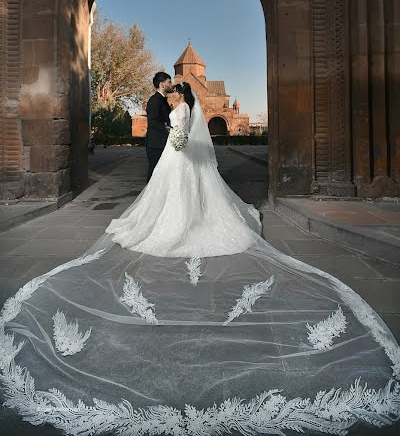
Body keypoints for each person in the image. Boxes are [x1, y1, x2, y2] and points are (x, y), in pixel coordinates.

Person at [0, 82, 399, 436]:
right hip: (179, 160)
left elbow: (181, 135)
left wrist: (176, 139)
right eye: (171, 89)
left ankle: (182, 226)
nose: (173, 93)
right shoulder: (183, 106)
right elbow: (181, 132)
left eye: (176, 89)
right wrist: (175, 138)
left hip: (179, 159)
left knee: (177, 201)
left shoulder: (185, 108)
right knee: (172, 198)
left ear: (183, 92)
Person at [145, 71, 174, 183]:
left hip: (162, 143)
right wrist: (169, 129)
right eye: (169, 82)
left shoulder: (163, 100)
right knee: (154, 175)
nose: (171, 84)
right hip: (155, 144)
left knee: (162, 176)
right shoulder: (154, 100)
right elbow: (153, 122)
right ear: (162, 84)